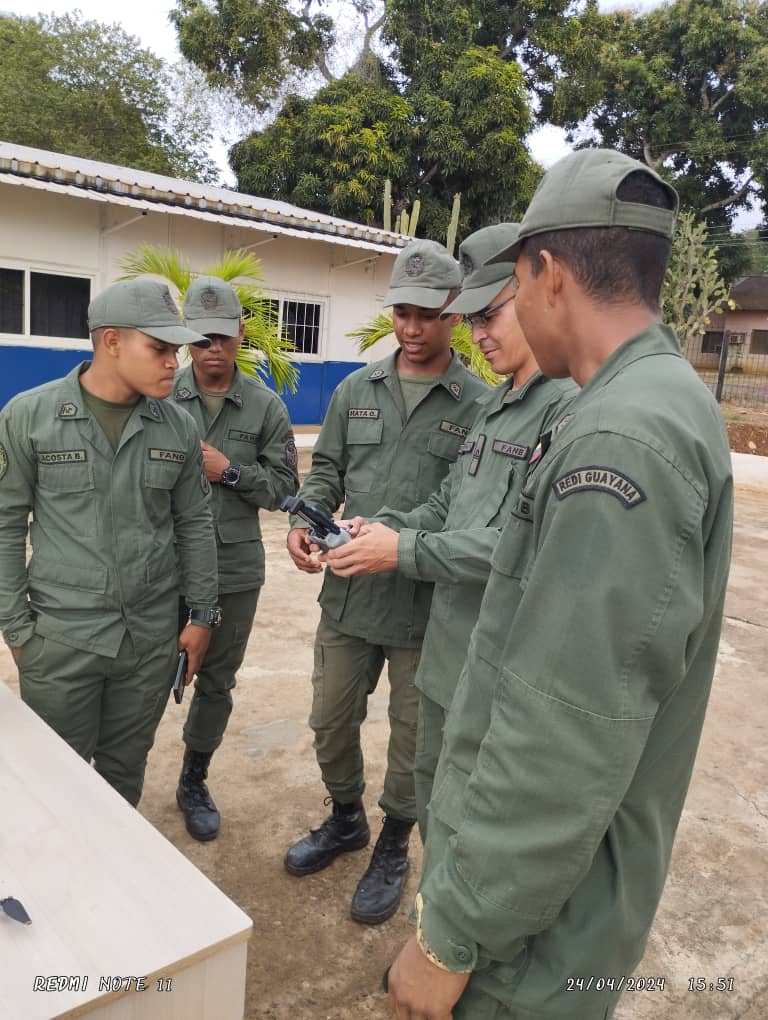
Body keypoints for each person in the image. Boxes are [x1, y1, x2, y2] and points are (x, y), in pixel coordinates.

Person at [386, 149, 734, 1020]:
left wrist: (450, 936)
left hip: (532, 936)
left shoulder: (622, 437)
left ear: (545, 273)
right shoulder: (642, 400)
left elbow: (562, 731)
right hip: (546, 895)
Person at [323, 223, 577, 839]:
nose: (479, 335)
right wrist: (379, 528)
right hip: (442, 639)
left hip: (478, 645)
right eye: (474, 321)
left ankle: (396, 853)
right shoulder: (498, 405)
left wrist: (401, 548)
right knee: (407, 768)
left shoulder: (564, 406)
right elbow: (447, 504)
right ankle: (358, 827)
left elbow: (528, 546)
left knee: (448, 795)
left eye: (487, 316)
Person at [284, 239, 490, 925]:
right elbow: (327, 471)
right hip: (348, 595)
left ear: (453, 315)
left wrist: (393, 539)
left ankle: (395, 844)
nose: (411, 327)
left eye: (427, 314)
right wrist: (307, 521)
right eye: (402, 312)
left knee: (414, 740)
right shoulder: (355, 390)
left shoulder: (480, 407)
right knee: (329, 718)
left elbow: (463, 509)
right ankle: (347, 819)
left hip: (425, 610)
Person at [0, 278, 221, 807]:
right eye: (161, 348)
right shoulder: (30, 417)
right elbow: (5, 524)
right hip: (61, 640)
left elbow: (194, 522)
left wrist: (201, 615)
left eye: (176, 349)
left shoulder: (178, 428)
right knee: (55, 786)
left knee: (122, 781)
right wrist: (18, 630)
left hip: (147, 642)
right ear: (112, 341)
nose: (176, 361)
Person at [173, 276, 298, 841]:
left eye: (222, 336)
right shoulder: (158, 397)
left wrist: (231, 472)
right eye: (201, 338)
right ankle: (115, 775)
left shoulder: (266, 407)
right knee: (142, 674)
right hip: (164, 566)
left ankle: (193, 777)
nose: (213, 348)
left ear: (240, 334)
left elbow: (284, 489)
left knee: (216, 680)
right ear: (186, 340)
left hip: (234, 571)